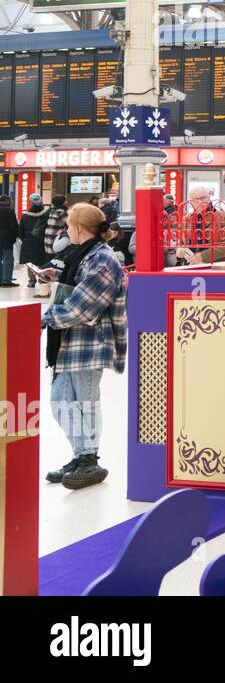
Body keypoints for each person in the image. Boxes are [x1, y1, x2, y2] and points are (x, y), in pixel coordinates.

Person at [42, 203, 128, 490]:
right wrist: (56, 277)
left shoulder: (103, 260)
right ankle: (82, 456)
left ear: (79, 228)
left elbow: (83, 308)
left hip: (90, 342)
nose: (67, 230)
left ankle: (88, 460)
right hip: (72, 343)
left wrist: (45, 317)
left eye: (68, 225)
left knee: (84, 401)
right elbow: (77, 284)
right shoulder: (86, 254)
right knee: (61, 400)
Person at [19, 193, 51, 287]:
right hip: (42, 241)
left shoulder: (25, 216)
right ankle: (42, 280)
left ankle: (32, 281)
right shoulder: (46, 214)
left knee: (30, 262)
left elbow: (20, 231)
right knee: (42, 261)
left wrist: (25, 239)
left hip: (28, 242)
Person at [0, 194, 18, 287]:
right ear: (7, 201)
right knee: (8, 259)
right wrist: (14, 238)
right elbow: (14, 227)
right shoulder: (9, 211)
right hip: (6, 239)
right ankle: (6, 281)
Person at [44, 194, 69, 259]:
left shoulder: (52, 210)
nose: (67, 201)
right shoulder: (61, 211)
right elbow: (69, 223)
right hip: (55, 239)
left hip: (48, 239)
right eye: (65, 200)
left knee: (49, 260)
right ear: (62, 202)